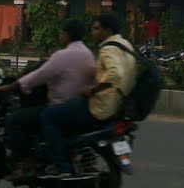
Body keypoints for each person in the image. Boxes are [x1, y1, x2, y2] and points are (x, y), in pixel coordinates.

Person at [0, 18, 95, 180]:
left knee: (15, 120)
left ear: (67, 34)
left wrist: (14, 86)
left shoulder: (63, 55)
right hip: (77, 106)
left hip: (60, 105)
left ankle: (27, 163)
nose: (60, 35)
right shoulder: (88, 54)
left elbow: (39, 75)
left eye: (61, 32)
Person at [39, 13, 136, 178]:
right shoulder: (125, 45)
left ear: (107, 30)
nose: (93, 32)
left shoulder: (108, 48)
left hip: (100, 106)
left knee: (48, 116)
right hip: (117, 105)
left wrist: (92, 90)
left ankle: (62, 167)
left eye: (96, 28)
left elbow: (115, 74)